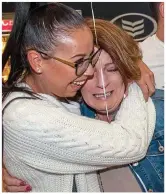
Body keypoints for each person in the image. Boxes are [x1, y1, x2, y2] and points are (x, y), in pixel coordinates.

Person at [2, 2, 155, 192]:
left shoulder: (53, 94)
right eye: (79, 62)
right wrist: (134, 82)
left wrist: (130, 61)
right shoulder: (25, 115)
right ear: (37, 61)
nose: (89, 72)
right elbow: (130, 144)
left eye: (89, 59)